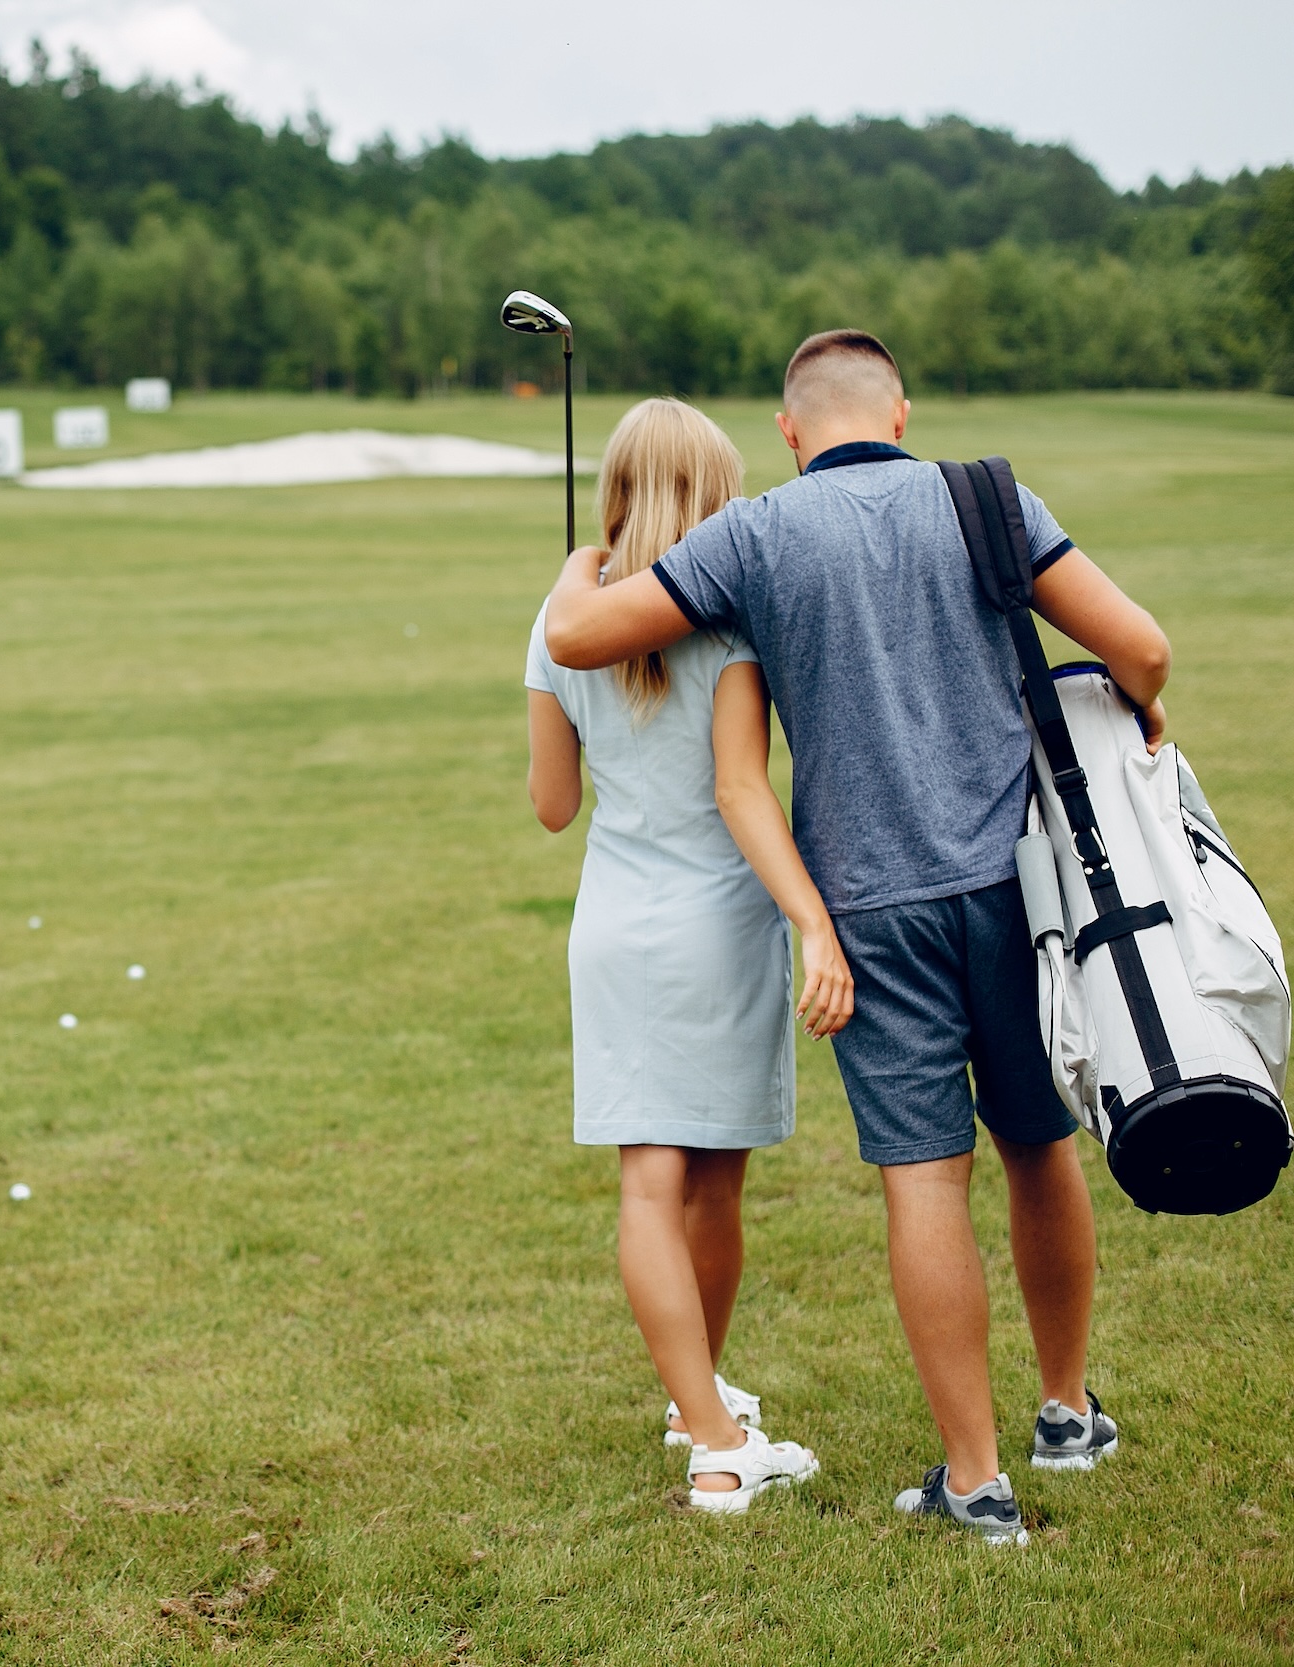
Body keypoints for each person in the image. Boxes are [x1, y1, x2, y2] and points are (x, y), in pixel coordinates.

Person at [540, 332, 1157, 1542]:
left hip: (869, 907)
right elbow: (1139, 647)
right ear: (901, 409)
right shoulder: (989, 498)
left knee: (923, 1175)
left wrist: (573, 570)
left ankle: (974, 1477)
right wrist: (1147, 704)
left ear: (787, 430)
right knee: (1038, 1145)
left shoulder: (754, 533)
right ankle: (1066, 1409)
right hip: (1015, 883)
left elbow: (579, 638)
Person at [525, 398, 850, 1514]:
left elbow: (552, 806)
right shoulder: (731, 623)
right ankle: (715, 1441)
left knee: (652, 1179)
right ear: (714, 496)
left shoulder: (558, 618)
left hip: (615, 928)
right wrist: (811, 915)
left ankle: (694, 1402)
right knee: (708, 1180)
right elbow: (740, 786)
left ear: (616, 489)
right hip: (719, 925)